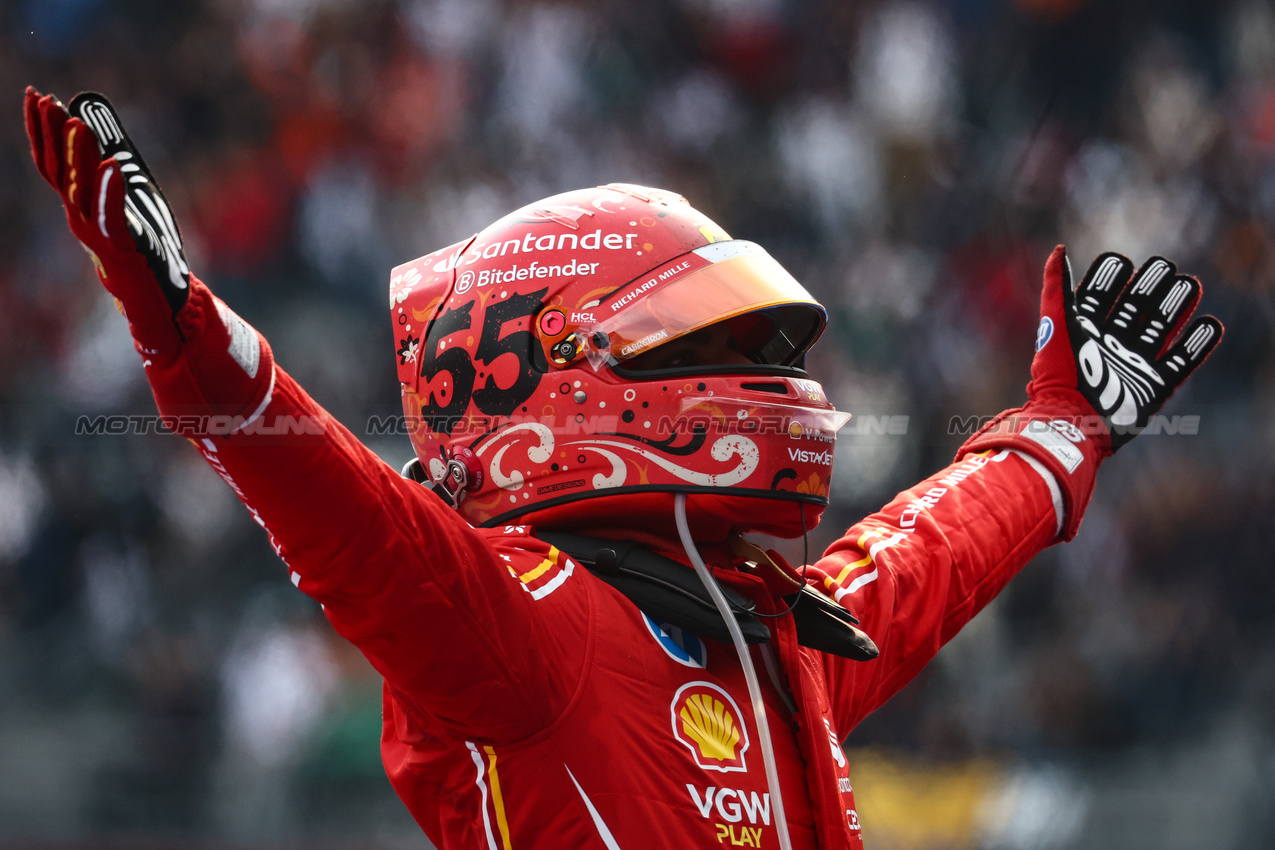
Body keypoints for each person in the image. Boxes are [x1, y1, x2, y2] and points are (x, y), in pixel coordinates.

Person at [24, 88, 1222, 849]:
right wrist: (183, 328)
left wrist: (1062, 431)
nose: (771, 376)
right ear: (558, 374)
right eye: (716, 343)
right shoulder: (519, 625)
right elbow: (345, 516)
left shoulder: (770, 635)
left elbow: (929, 554)